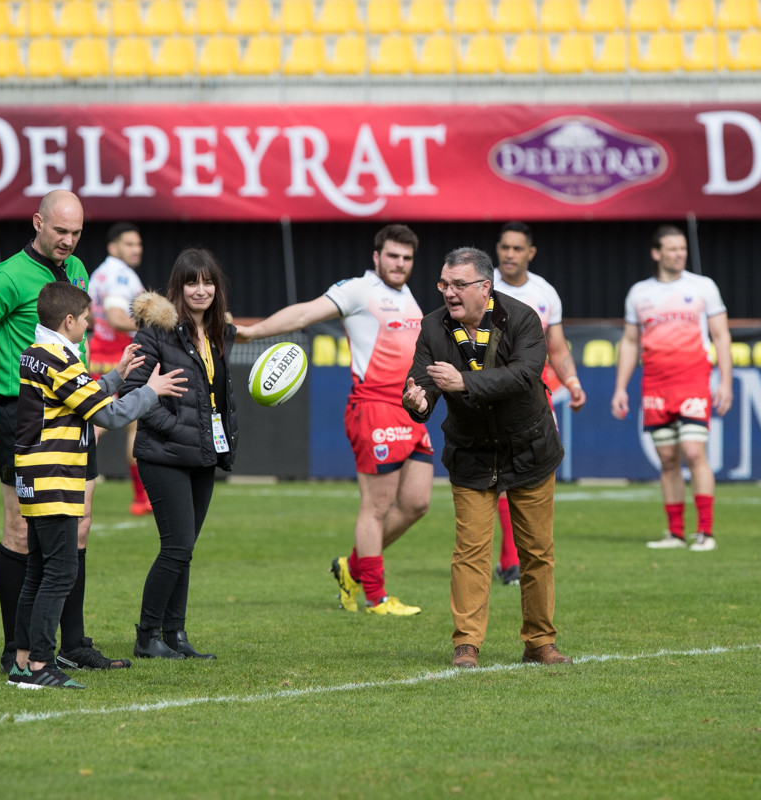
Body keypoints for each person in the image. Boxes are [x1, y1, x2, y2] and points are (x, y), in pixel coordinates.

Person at [0, 190, 132, 673]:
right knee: (20, 529)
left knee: (79, 523)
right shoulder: (7, 276)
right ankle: (17, 650)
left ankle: (71, 643)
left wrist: (95, 396)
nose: (69, 241)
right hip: (24, 416)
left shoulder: (76, 271)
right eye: (60, 231)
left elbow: (77, 347)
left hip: (73, 410)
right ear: (38, 222)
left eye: (77, 233)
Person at [235, 225, 432, 617]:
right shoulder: (359, 289)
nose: (400, 264)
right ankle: (376, 597)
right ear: (376, 257)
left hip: (409, 408)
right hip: (373, 406)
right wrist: (252, 332)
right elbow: (306, 312)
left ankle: (351, 567)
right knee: (376, 506)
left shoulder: (407, 295)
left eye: (407, 258)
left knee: (416, 503)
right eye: (393, 256)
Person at [7, 282, 186, 689]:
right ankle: (39, 665)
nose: (89, 326)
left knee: (37, 572)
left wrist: (116, 375)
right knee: (60, 572)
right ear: (68, 321)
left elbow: (80, 397)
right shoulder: (60, 359)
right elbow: (109, 416)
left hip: (34, 475)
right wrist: (150, 392)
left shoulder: (37, 354)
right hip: (55, 476)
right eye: (86, 319)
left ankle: (21, 661)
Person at [403, 246, 572, 669]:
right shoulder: (432, 328)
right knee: (470, 552)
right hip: (471, 453)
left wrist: (463, 382)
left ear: (485, 286)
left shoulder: (522, 318)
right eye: (444, 284)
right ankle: (467, 646)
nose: (449, 293)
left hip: (528, 447)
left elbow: (525, 375)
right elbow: (425, 387)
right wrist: (417, 402)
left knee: (536, 552)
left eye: (459, 284)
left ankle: (539, 642)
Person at [120, 249, 239, 660]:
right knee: (176, 547)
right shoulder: (155, 331)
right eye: (192, 282)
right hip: (164, 454)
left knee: (184, 550)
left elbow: (219, 399)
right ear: (178, 287)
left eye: (208, 282)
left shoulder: (220, 333)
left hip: (202, 457)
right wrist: (181, 431)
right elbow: (131, 392)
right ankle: (146, 636)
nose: (201, 290)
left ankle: (176, 635)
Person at [611, 225, 733, 552]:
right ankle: (676, 533)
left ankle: (706, 532)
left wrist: (725, 381)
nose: (680, 254)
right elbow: (631, 342)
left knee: (694, 452)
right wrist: (620, 387)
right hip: (655, 382)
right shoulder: (639, 293)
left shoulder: (703, 287)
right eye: (672, 249)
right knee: (667, 459)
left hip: (693, 378)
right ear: (657, 253)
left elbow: (721, 335)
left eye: (683, 248)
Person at [491, 221, 587, 586]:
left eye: (518, 248)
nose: (510, 254)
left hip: (535, 398)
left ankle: (520, 560)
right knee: (499, 477)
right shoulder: (484, 287)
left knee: (536, 479)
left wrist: (573, 381)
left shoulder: (545, 293)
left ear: (530, 252)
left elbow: (558, 348)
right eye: (505, 247)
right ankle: (511, 561)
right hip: (493, 396)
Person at [87, 222, 151, 516]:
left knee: (92, 425)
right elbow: (115, 316)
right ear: (113, 247)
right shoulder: (120, 276)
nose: (136, 249)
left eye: (138, 243)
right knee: (130, 427)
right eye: (129, 244)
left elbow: (93, 318)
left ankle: (63, 481)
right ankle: (141, 498)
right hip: (120, 358)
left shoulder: (100, 272)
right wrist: (156, 325)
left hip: (98, 353)